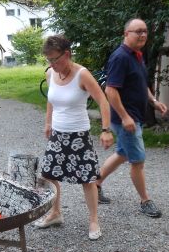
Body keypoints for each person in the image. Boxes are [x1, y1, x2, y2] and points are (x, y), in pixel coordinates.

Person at [35, 35, 114, 240]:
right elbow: (51, 99)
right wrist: (48, 122)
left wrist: (106, 130)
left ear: (67, 54)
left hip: (79, 136)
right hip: (57, 134)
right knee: (49, 174)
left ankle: (94, 220)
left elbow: (103, 101)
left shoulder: (82, 75)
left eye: (55, 59)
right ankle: (55, 213)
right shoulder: (51, 73)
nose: (52, 64)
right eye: (48, 60)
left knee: (87, 179)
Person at [95, 18, 168, 218]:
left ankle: (96, 184)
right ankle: (145, 201)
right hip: (126, 119)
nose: (142, 35)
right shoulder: (121, 57)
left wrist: (154, 101)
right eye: (138, 31)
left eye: (145, 31)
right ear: (126, 34)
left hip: (132, 116)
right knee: (138, 160)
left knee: (122, 153)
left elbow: (140, 83)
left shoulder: (136, 55)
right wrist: (125, 117)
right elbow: (110, 90)